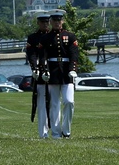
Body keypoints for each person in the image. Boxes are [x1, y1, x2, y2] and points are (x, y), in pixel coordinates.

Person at [45, 9, 79, 137]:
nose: (57, 22)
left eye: (59, 20)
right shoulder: (47, 37)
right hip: (53, 72)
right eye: (54, 20)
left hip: (66, 72)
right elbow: (44, 56)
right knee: (54, 104)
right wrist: (45, 70)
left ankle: (66, 130)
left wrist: (73, 69)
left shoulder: (70, 36)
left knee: (69, 101)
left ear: (62, 21)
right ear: (51, 21)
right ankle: (55, 132)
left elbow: (74, 54)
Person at [26, 10, 54, 138]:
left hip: (53, 71)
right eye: (43, 22)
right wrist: (34, 68)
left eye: (47, 22)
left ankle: (55, 129)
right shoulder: (33, 38)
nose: (45, 24)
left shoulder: (53, 35)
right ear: (38, 23)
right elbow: (31, 54)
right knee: (42, 104)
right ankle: (43, 132)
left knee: (54, 102)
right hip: (40, 72)